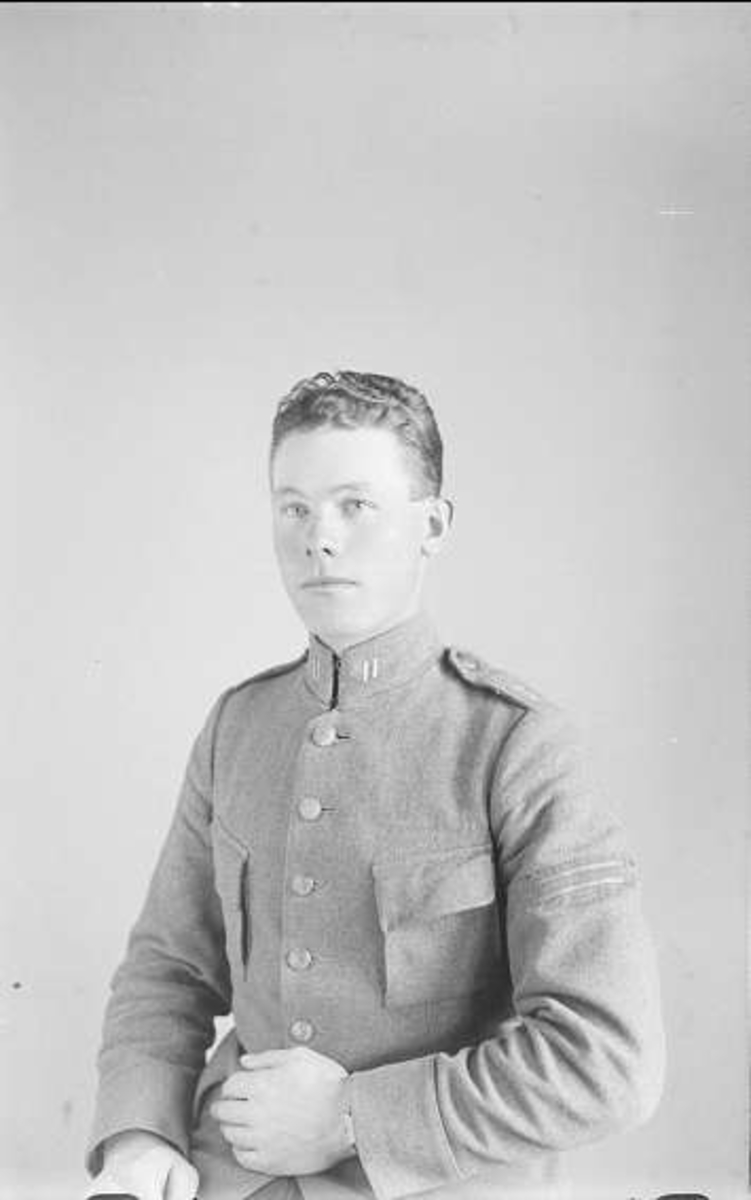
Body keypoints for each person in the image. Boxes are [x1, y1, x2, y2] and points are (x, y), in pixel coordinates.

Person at [85, 370, 665, 1200]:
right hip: (233, 1171)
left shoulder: (515, 742)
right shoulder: (238, 726)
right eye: (293, 507)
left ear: (432, 525)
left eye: (355, 504)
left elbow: (606, 1057)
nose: (318, 539)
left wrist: (351, 1118)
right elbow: (167, 969)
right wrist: (140, 1133)